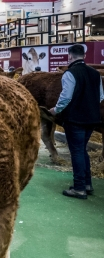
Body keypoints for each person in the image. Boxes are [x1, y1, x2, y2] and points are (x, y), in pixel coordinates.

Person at [49, 44, 104, 199]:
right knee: (82, 150)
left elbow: (66, 97)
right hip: (92, 119)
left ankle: (79, 188)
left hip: (75, 119)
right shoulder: (95, 74)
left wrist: (56, 110)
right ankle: (87, 184)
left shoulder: (69, 74)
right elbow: (100, 96)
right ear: (84, 56)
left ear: (69, 56)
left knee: (77, 152)